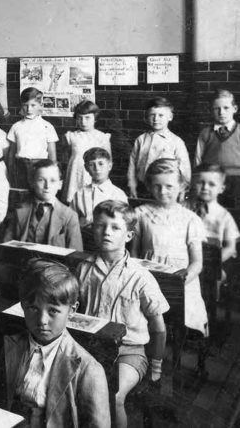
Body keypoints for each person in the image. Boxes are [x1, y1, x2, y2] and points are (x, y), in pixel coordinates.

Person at [76, 200, 169, 428]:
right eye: (100, 225)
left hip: (129, 353)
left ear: (128, 236)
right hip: (90, 347)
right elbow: (73, 308)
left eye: (115, 227)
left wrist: (156, 366)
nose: (106, 232)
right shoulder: (83, 269)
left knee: (112, 395)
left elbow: (159, 328)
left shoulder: (140, 277)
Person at [0, 259, 111, 428]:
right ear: (22, 306)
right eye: (33, 308)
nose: (42, 320)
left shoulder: (88, 369)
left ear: (72, 310)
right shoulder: (11, 346)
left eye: (53, 311)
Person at [131, 159, 208, 336]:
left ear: (181, 186)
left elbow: (197, 263)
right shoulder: (141, 214)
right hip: (149, 278)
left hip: (181, 281)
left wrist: (179, 281)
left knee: (184, 309)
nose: (163, 191)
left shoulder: (190, 219)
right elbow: (134, 252)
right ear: (149, 186)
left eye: (169, 186)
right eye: (157, 186)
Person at [186, 163, 239, 302]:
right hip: (186, 257)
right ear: (193, 184)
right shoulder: (184, 209)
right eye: (200, 183)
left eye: (211, 184)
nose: (205, 188)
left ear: (221, 188)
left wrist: (212, 262)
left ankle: (208, 310)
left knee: (213, 276)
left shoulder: (223, 215)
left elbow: (231, 247)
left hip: (213, 263)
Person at [1, 159, 82, 250]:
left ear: (60, 185)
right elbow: (5, 246)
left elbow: (75, 254)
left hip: (54, 263)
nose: (47, 186)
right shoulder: (19, 210)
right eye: (41, 180)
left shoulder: (69, 216)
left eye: (52, 181)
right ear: (32, 182)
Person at [127, 97, 192, 198]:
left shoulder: (176, 142)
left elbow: (184, 168)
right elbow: (132, 165)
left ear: (170, 117)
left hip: (165, 189)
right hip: (142, 188)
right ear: (147, 117)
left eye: (161, 115)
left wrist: (182, 190)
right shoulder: (141, 139)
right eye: (152, 115)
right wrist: (132, 185)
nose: (156, 119)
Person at [69, 147, 128, 248]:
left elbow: (123, 225)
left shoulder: (118, 194)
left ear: (109, 165)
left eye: (101, 163)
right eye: (92, 164)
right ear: (86, 168)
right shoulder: (79, 194)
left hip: (108, 240)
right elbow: (71, 221)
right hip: (83, 240)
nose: (97, 168)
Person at [195, 89, 240, 205]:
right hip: (211, 180)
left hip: (237, 181)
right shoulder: (205, 133)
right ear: (211, 110)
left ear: (235, 109)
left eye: (226, 108)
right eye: (217, 109)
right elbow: (197, 160)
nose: (221, 112)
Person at [7, 87, 59, 189]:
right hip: (20, 167)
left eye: (33, 105)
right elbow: (11, 153)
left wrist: (52, 172)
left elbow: (52, 154)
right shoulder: (16, 126)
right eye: (25, 106)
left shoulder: (47, 126)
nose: (29, 109)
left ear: (40, 105)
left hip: (40, 167)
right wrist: (10, 171)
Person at [60, 100, 111, 203]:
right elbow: (66, 157)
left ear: (95, 118)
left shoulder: (102, 137)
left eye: (87, 118)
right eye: (79, 118)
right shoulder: (71, 136)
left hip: (94, 175)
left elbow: (108, 162)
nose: (83, 122)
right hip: (75, 177)